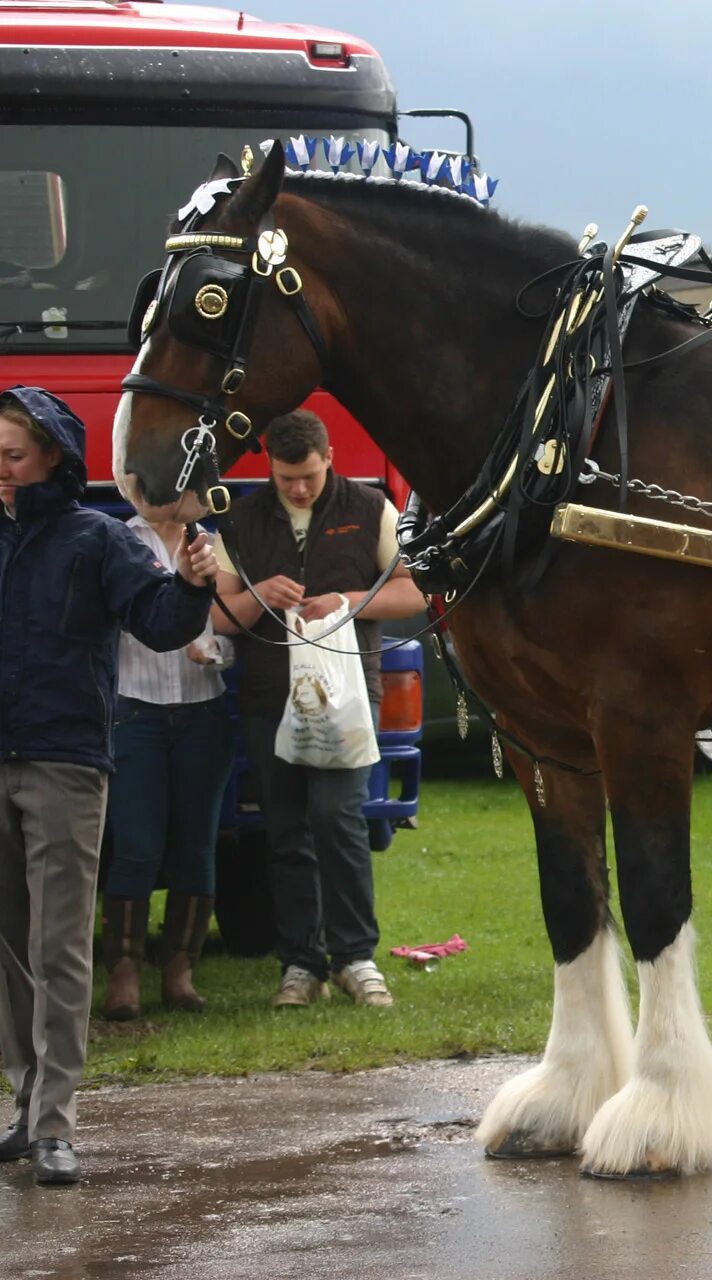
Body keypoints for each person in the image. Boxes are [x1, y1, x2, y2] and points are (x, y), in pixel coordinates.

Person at [0, 386, 217, 1187]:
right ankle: (26, 1100)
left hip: (63, 762)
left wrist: (193, 585)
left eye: (13, 457)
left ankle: (55, 1122)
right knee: (6, 946)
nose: (1, 471)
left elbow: (160, 622)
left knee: (58, 945)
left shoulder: (94, 538)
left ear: (52, 458)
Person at [212, 410, 423, 1011]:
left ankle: (355, 956)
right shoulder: (243, 518)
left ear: (328, 457)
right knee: (285, 831)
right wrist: (258, 599)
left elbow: (413, 590)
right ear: (269, 469)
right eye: (286, 479)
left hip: (349, 695)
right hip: (268, 696)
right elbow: (219, 616)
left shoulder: (371, 508)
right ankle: (301, 965)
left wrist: (347, 602)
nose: (299, 489)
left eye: (307, 476)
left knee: (338, 818)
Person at [100, 512, 237, 1021]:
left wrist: (216, 650)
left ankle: (180, 966)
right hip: (135, 708)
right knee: (136, 844)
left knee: (197, 844)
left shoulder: (216, 542)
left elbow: (234, 622)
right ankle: (124, 968)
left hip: (204, 709)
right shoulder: (118, 539)